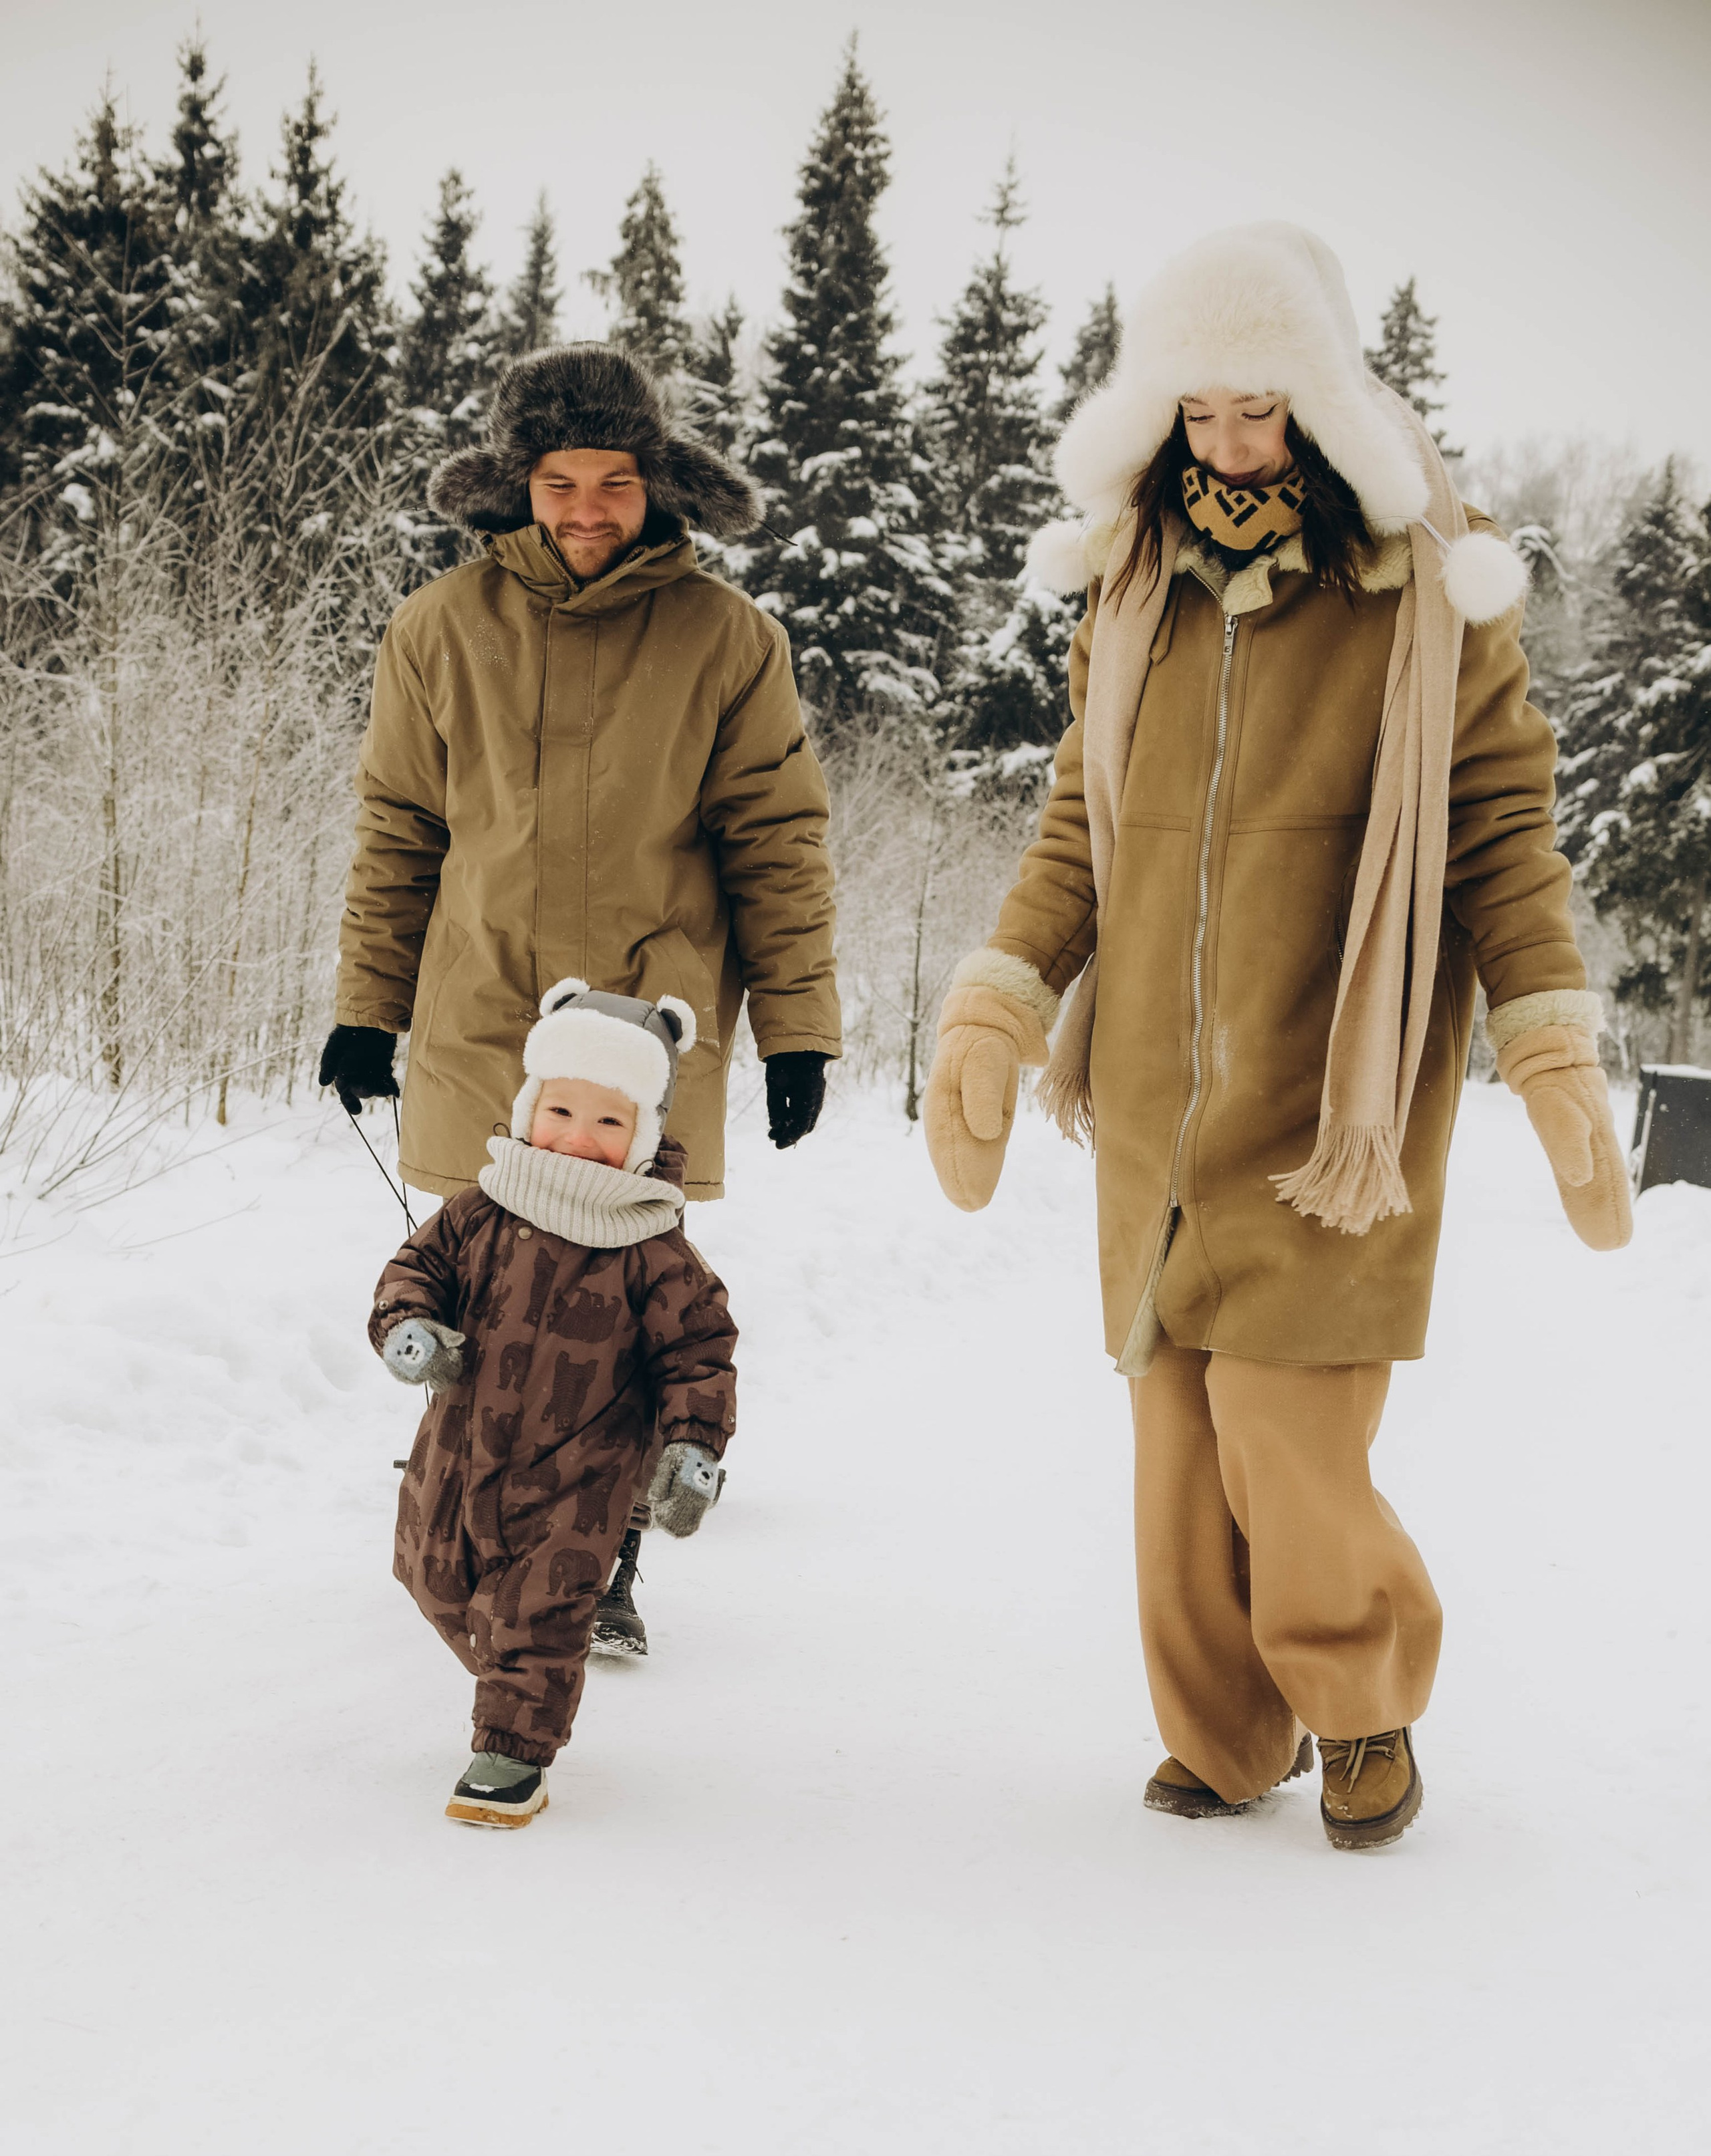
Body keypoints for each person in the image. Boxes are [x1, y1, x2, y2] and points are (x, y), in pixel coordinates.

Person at [923, 223, 1631, 1851]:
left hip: (1332, 1101)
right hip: (1157, 1098)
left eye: (1259, 410)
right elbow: (1070, 834)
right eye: (1197, 414)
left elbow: (1503, 833)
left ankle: (1358, 1696)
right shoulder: (1131, 585)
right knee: (1173, 1440)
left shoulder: (1426, 590)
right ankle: (1224, 1734)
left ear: (1315, 404)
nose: (1229, 447)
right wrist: (997, 997)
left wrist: (1548, 1050)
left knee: (1282, 1427)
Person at [321, 343, 837, 1653]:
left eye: (614, 482)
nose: (588, 510)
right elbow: (397, 834)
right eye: (562, 482)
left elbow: (775, 841)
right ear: (521, 486)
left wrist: (798, 1032)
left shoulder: (728, 640)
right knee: (486, 1291)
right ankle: (463, 1514)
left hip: (642, 1035)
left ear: (655, 486)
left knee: (608, 1304)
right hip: (486, 1012)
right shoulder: (437, 629)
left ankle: (594, 1553)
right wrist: (364, 1012)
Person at [371, 980, 738, 1829]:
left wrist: (692, 1449)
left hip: (583, 1474)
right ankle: (513, 1678)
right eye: (561, 1110)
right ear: (529, 1106)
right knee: (428, 1575)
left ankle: (512, 1751)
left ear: (643, 1132)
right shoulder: (479, 1210)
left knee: (543, 1613)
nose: (579, 1137)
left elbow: (700, 1352)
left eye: (610, 1122)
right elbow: (411, 1273)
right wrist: (410, 1327)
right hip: (457, 1455)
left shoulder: (653, 1246)